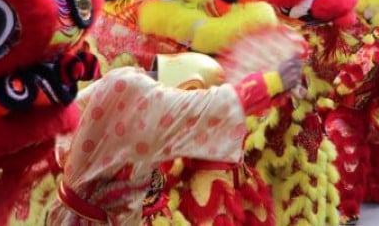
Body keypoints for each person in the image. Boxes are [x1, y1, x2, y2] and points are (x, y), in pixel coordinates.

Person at [48, 54, 304, 225]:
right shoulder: (156, 105)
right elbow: (214, 106)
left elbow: (67, 117)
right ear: (189, 87)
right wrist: (274, 81)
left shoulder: (120, 78)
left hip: (61, 209)